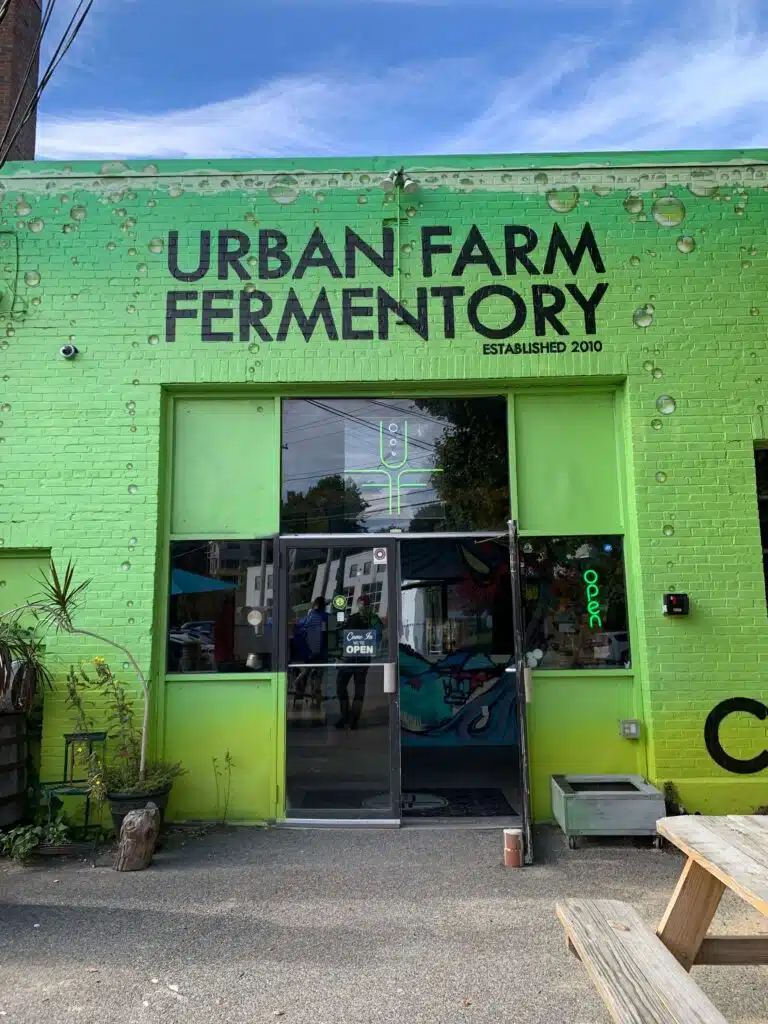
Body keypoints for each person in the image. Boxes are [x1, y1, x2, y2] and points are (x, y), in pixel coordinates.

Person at [335, 595, 383, 729]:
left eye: (364, 605)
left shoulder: (355, 618)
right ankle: (352, 719)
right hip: (361, 659)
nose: (364, 607)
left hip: (350, 659)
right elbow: (377, 639)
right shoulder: (374, 620)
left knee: (343, 686)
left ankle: (347, 717)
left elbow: (344, 637)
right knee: (357, 688)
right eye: (363, 605)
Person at [290, 597, 328, 708]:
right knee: (317, 680)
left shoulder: (305, 619)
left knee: (303, 679)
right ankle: (316, 704)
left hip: (306, 655)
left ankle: (297, 704)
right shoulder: (326, 617)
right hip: (320, 655)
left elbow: (297, 633)